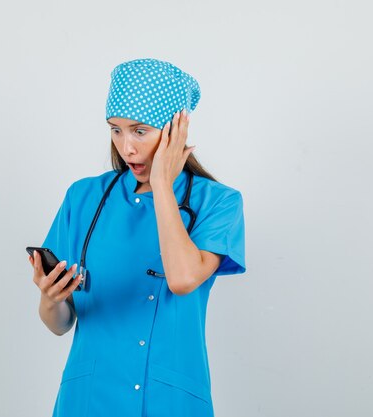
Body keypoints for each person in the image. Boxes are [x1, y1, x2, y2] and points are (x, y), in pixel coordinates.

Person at [28, 58, 246, 417]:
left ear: (175, 131)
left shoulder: (218, 203)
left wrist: (161, 183)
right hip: (88, 400)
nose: (126, 147)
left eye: (139, 131)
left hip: (169, 401)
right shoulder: (84, 198)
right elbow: (60, 324)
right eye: (116, 130)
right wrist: (50, 299)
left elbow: (182, 279)